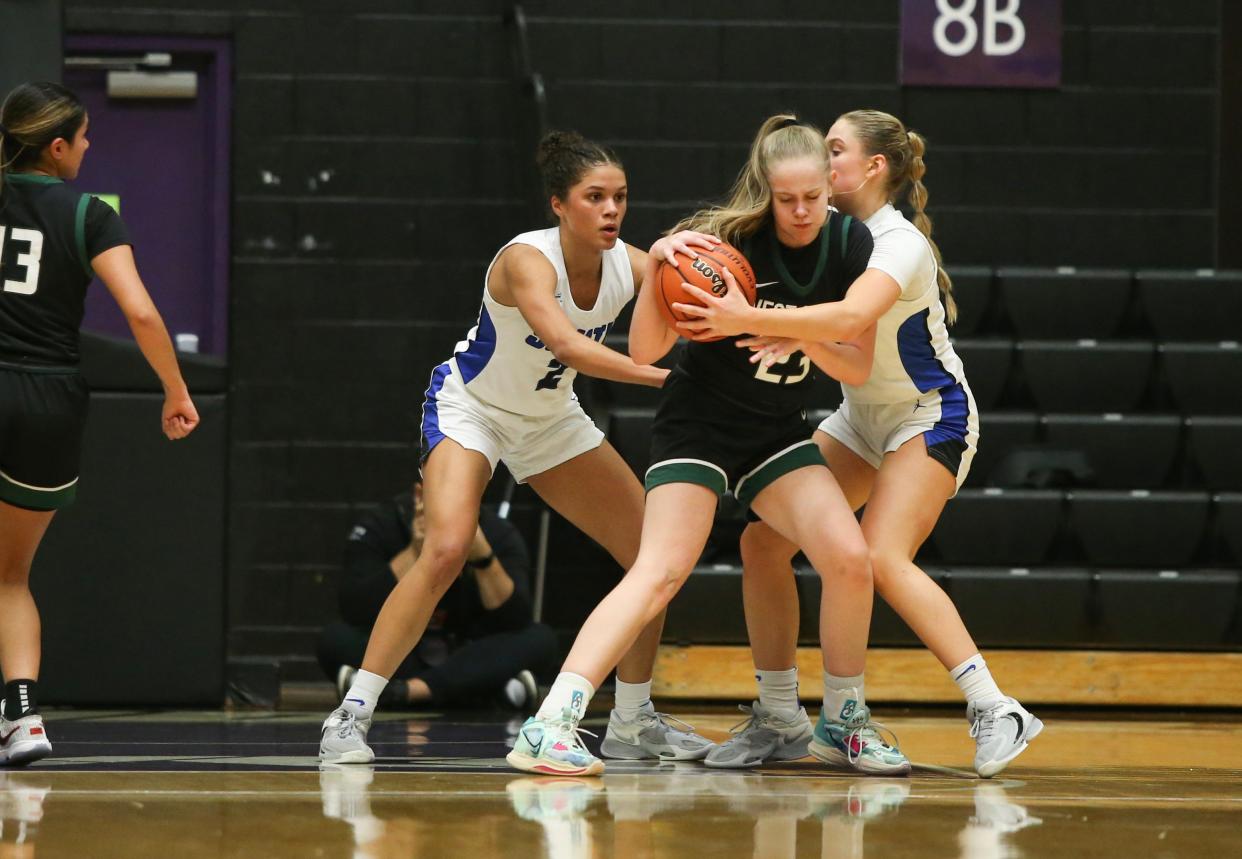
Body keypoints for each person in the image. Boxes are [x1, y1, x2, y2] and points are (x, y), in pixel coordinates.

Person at [508, 114, 910, 777]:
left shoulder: (849, 243)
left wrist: (781, 326)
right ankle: (551, 721)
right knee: (660, 569)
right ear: (766, 191)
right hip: (697, 424)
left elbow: (856, 365)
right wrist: (660, 265)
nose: (802, 210)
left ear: (828, 189)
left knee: (848, 557)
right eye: (787, 199)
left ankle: (841, 720)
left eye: (814, 196)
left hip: (774, 430)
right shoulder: (723, 242)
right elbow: (644, 351)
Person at [319, 131, 718, 764]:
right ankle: (351, 715)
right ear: (560, 204)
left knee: (651, 554)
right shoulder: (525, 260)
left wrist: (724, 298)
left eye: (620, 196)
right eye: (595, 197)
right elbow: (570, 347)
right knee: (447, 548)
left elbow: (700, 296)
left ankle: (635, 719)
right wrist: (677, 379)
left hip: (549, 418)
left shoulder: (631, 264)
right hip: (472, 409)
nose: (612, 209)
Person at [675, 109, 1042, 778]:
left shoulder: (897, 243)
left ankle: (994, 706)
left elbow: (848, 318)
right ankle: (780, 714)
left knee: (879, 552)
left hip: (927, 415)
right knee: (763, 541)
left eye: (836, 148)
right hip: (859, 416)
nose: (824, 155)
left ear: (873, 168)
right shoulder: (827, 232)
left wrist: (749, 317)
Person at [0, 82, 199, 767]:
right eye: (83, 139)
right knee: (10, 575)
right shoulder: (89, 213)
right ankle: (23, 715)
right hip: (46, 400)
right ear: (56, 147)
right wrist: (175, 389)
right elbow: (141, 313)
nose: (89, 148)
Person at [317, 480, 558, 710]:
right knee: (335, 638)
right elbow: (356, 608)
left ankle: (405, 693)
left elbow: (515, 619)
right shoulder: (381, 524)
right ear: (419, 495)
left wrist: (483, 558)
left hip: (467, 649)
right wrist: (417, 552)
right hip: (405, 652)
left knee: (540, 639)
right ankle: (485, 690)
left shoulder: (498, 532)